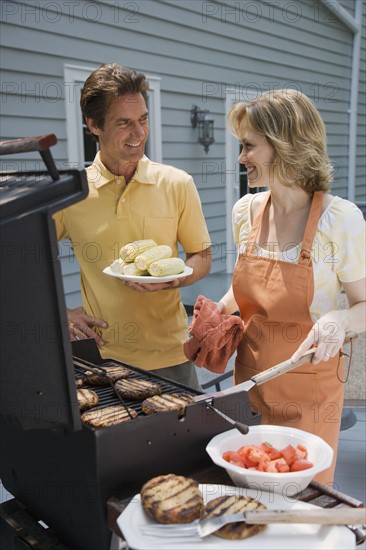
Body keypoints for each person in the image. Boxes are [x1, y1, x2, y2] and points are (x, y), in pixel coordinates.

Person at [215, 89, 365, 485]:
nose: (241, 157)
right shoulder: (244, 211)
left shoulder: (341, 220)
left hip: (310, 397)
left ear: (285, 145)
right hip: (248, 389)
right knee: (249, 502)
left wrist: (339, 318)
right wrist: (217, 313)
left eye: (249, 146)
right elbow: (243, 294)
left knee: (301, 512)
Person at [53, 63, 211, 390]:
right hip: (101, 358)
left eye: (143, 119)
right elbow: (25, 259)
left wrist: (178, 277)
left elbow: (202, 255)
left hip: (172, 356)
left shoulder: (177, 183)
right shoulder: (72, 193)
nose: (138, 133)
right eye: (124, 123)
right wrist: (63, 313)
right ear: (93, 125)